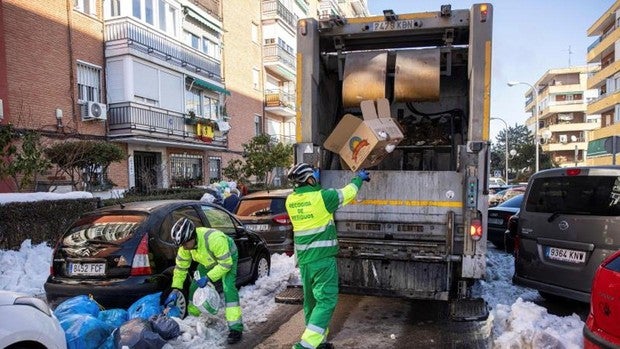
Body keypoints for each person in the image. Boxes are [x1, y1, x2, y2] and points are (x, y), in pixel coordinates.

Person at [285, 163, 370, 349]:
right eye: (314, 173)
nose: (317, 174)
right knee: (326, 301)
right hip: (322, 259)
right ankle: (306, 345)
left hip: (306, 260)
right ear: (309, 179)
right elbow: (348, 192)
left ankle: (318, 341)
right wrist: (359, 178)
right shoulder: (323, 198)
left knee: (312, 302)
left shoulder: (290, 200)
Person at [164, 217, 243, 344]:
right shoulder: (185, 247)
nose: (183, 248)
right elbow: (180, 269)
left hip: (227, 258)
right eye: (181, 245)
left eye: (185, 244)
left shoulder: (215, 239)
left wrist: (208, 278)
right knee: (194, 286)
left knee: (228, 288)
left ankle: (235, 328)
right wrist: (176, 289)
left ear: (193, 237)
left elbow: (225, 265)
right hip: (208, 260)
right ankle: (193, 318)